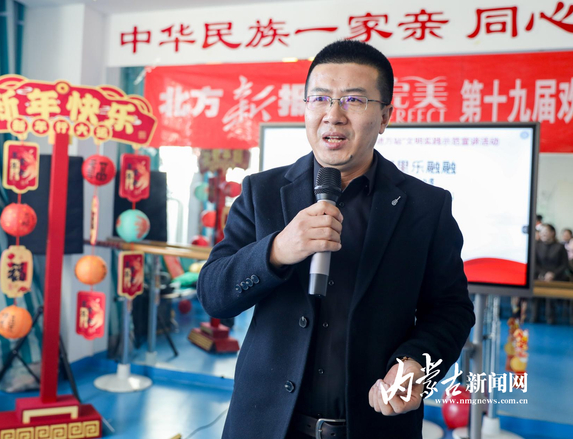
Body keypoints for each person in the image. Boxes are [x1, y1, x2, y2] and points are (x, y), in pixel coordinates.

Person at [197, 39, 475, 439]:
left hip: (376, 427)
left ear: (384, 116)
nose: (333, 115)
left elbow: (451, 310)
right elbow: (214, 294)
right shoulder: (261, 192)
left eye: (354, 100)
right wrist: (277, 251)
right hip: (266, 425)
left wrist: (416, 364)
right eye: (320, 99)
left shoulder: (425, 206)